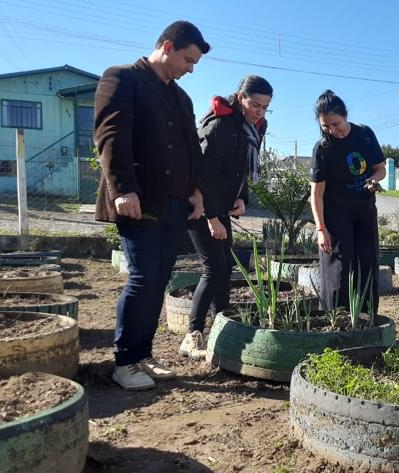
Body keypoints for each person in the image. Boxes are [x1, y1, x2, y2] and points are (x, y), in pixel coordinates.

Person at [94, 20, 210, 390]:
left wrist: (196, 191)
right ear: (167, 46)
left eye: (195, 64)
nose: (190, 69)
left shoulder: (180, 97)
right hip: (138, 201)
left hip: (175, 202)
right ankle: (125, 361)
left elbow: (192, 148)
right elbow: (110, 136)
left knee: (159, 279)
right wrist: (123, 189)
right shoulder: (123, 78)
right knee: (143, 278)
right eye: (188, 59)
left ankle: (143, 355)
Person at [178, 75, 272, 359]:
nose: (260, 111)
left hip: (222, 207)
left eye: (265, 107)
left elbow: (243, 169)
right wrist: (212, 218)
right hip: (199, 206)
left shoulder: (255, 127)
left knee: (224, 268)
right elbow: (201, 174)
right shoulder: (219, 124)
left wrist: (243, 197)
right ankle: (192, 335)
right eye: (255, 104)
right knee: (213, 268)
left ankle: (222, 326)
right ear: (241, 97)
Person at [309, 90, 385, 315]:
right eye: (326, 126)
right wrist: (321, 229)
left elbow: (379, 169)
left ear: (346, 115)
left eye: (336, 123)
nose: (333, 130)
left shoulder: (365, 135)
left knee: (367, 264)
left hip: (364, 212)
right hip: (335, 215)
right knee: (339, 270)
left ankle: (366, 318)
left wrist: (373, 180)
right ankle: (336, 321)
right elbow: (317, 194)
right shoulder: (322, 149)